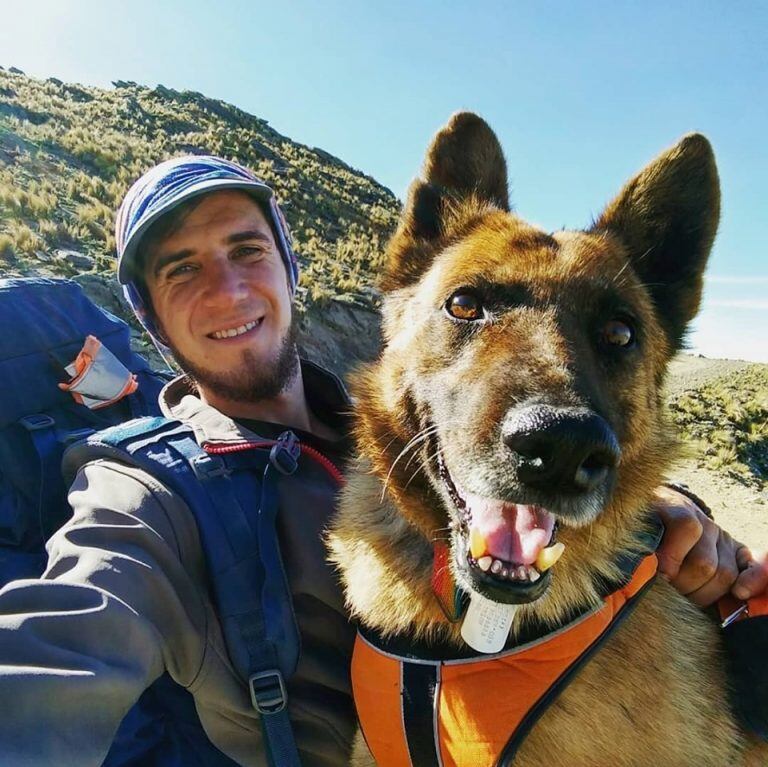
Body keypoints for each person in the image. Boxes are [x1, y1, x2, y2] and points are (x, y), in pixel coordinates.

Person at [0, 156, 764, 767]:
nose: (228, 288)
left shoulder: (377, 427)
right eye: (181, 270)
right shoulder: (143, 495)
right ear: (152, 317)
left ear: (288, 269)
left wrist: (664, 509)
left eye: (246, 250)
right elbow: (57, 647)